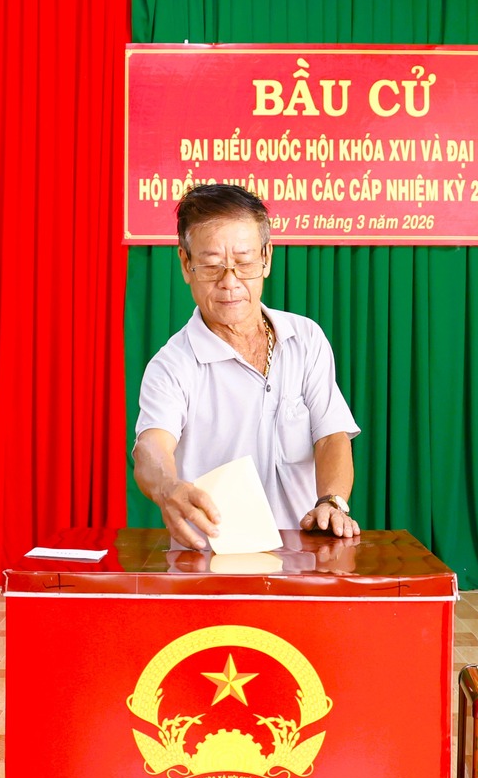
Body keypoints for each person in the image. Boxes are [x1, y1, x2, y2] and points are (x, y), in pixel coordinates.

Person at [134, 183, 361, 548]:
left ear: (266, 258)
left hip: (305, 556)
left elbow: (330, 436)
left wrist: (332, 502)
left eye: (243, 263)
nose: (230, 282)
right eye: (212, 266)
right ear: (186, 265)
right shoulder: (172, 365)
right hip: (210, 561)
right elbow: (151, 447)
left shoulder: (306, 339)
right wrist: (168, 487)